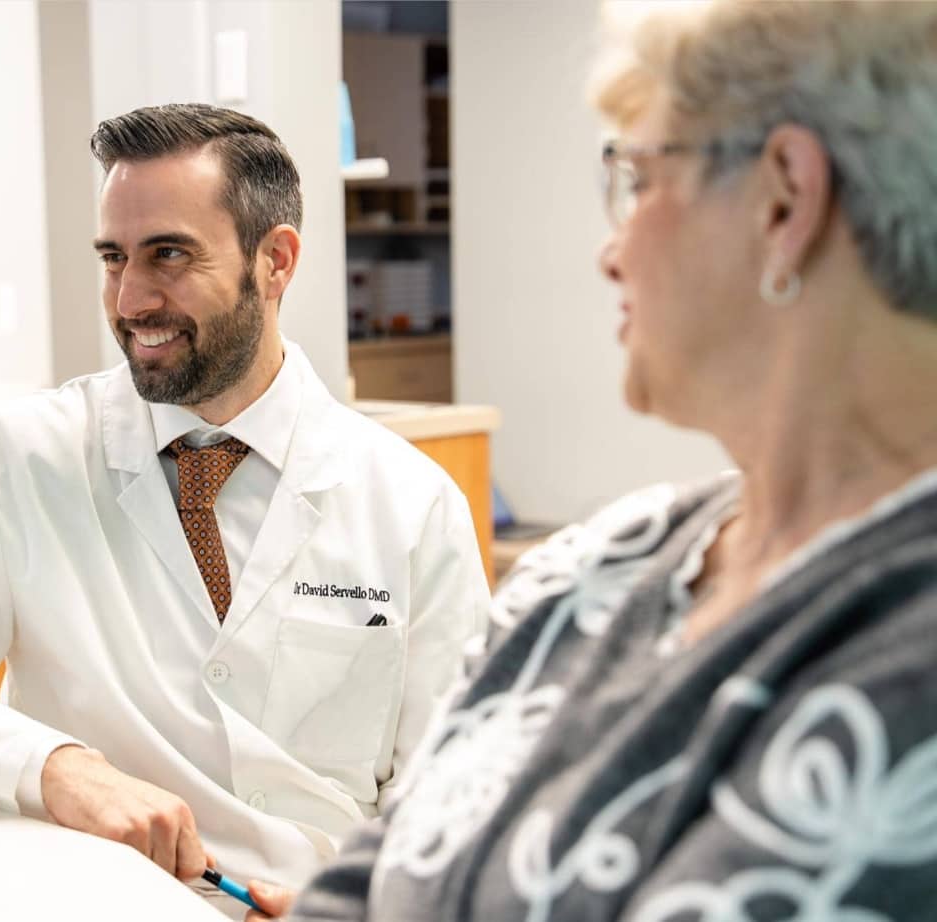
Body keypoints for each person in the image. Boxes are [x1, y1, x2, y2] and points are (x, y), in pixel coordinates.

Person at [244, 2, 937, 920]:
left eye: (638, 180)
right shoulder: (596, 564)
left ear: (784, 200)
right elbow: (364, 886)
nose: (612, 252)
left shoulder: (908, 662)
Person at [0, 104, 489, 914]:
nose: (130, 300)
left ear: (275, 261)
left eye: (169, 255)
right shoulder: (13, 459)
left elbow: (459, 790)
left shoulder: (410, 503)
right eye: (113, 258)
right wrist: (52, 766)